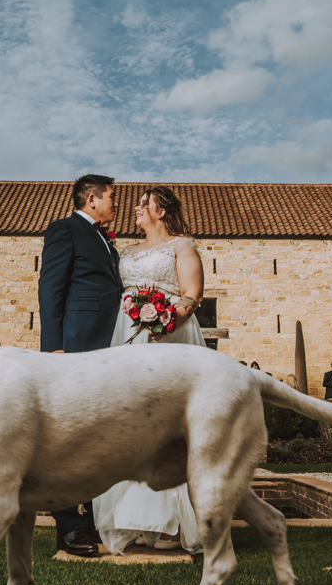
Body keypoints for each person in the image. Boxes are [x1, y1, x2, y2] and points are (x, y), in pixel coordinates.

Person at [92, 185, 207, 555]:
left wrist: (166, 320)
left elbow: (192, 294)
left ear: (163, 210)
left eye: (145, 203)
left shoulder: (182, 246)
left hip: (168, 337)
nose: (137, 207)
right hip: (127, 336)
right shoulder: (125, 251)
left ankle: (173, 523)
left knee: (166, 426)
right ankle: (133, 519)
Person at [38, 173, 121, 557]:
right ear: (91, 199)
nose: (115, 204)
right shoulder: (65, 229)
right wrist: (53, 346)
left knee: (91, 435)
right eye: (111, 198)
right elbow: (50, 286)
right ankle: (68, 526)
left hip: (105, 345)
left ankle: (87, 518)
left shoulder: (105, 239)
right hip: (74, 343)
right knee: (66, 436)